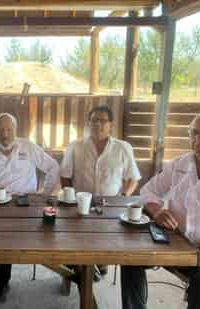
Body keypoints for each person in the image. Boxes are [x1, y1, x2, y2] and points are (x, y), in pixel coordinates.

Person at [121, 113, 200, 309]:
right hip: (175, 241)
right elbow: (148, 191)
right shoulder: (180, 164)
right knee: (130, 258)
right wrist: (157, 212)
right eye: (194, 134)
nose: (198, 140)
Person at [0, 113, 59, 306]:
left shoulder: (28, 147)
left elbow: (53, 167)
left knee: (47, 238)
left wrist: (43, 193)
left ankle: (76, 270)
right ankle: (0, 285)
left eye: (9, 129)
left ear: (15, 130)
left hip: (27, 205)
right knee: (1, 242)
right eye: (0, 130)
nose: (5, 134)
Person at [60, 105, 141, 280]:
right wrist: (70, 198)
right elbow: (65, 175)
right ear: (88, 123)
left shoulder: (123, 147)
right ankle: (80, 266)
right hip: (80, 204)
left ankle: (98, 265)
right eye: (94, 120)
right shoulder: (75, 146)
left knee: (108, 240)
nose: (98, 124)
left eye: (103, 121)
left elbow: (133, 178)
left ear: (111, 125)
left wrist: (123, 198)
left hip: (111, 206)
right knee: (74, 238)